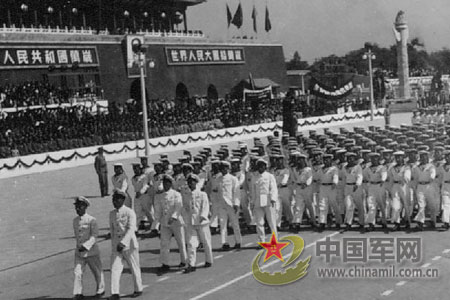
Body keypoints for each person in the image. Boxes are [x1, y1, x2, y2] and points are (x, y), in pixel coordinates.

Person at [109, 192, 143, 300]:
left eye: (117, 199)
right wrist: (114, 245)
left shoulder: (129, 212)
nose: (114, 202)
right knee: (115, 268)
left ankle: (138, 289)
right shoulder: (112, 214)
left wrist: (123, 243)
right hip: (117, 245)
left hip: (129, 245)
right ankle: (115, 293)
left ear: (122, 200)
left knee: (134, 267)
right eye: (113, 199)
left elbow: (131, 229)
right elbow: (112, 230)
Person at [72, 196, 105, 300]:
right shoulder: (75, 221)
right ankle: (78, 293)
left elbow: (94, 236)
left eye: (80, 206)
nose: (77, 209)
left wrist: (86, 246)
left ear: (85, 207)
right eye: (76, 206)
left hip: (91, 252)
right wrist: (79, 247)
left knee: (97, 271)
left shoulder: (91, 220)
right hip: (79, 252)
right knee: (77, 272)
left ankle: (100, 289)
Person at [154, 175, 187, 273]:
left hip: (176, 222)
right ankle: (165, 263)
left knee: (181, 242)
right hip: (165, 222)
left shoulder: (176, 194)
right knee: (164, 243)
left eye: (167, 183)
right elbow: (158, 210)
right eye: (164, 183)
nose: (165, 185)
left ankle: (184, 260)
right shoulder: (159, 196)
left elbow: (178, 207)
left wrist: (174, 217)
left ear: (170, 184)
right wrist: (158, 222)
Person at [183, 174, 213, 273]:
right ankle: (191, 264)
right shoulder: (186, 195)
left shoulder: (202, 194)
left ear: (196, 182)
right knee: (191, 243)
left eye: (192, 181)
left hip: (202, 222)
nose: (190, 183)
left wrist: (203, 216)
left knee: (206, 242)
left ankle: (209, 260)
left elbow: (205, 206)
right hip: (191, 222)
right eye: (189, 182)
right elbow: (185, 208)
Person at [250, 158, 278, 243]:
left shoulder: (270, 176)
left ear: (265, 167)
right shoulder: (254, 177)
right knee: (259, 222)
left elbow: (273, 188)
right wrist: (252, 202)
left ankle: (274, 241)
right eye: (259, 166)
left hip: (268, 201)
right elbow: (253, 191)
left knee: (271, 222)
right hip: (258, 201)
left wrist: (273, 198)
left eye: (262, 166)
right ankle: (261, 241)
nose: (260, 168)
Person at [217, 161, 241, 250]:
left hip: (231, 204)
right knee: (222, 224)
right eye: (221, 168)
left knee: (235, 223)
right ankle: (224, 243)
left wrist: (236, 204)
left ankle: (238, 241)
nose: (223, 170)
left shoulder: (233, 178)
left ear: (228, 168)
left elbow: (236, 192)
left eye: (225, 168)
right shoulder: (218, 179)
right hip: (221, 204)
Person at [131, 163, 152, 232]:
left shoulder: (144, 177)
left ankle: (154, 225)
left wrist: (141, 192)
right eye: (134, 169)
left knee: (148, 212)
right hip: (137, 196)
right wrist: (138, 193)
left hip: (145, 196)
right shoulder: (133, 178)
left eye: (137, 168)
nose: (136, 170)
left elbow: (145, 185)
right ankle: (135, 228)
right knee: (137, 212)